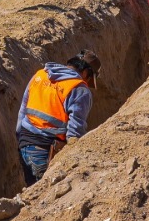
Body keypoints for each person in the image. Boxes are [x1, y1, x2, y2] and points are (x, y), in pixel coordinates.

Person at [15, 51, 101, 185]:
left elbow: (22, 111)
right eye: (89, 79)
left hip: (25, 143)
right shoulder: (79, 88)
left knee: (33, 189)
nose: (87, 82)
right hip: (45, 149)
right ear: (85, 73)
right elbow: (75, 132)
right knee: (44, 192)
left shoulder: (40, 75)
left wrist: (20, 139)